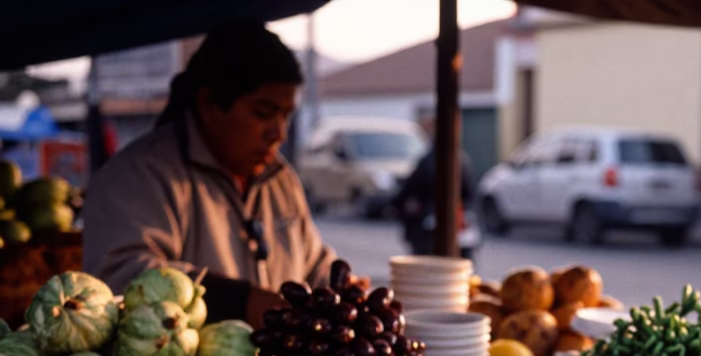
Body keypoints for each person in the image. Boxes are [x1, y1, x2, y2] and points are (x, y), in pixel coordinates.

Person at [83, 19, 341, 326]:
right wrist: (239, 302)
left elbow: (315, 265)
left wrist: (342, 287)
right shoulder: (134, 178)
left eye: (285, 116)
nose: (279, 133)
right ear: (208, 103)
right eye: (263, 113)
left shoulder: (280, 181)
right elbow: (121, 277)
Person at [395, 115, 477, 258]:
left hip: (435, 224)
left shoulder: (430, 161)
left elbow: (408, 190)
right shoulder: (463, 160)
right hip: (446, 220)